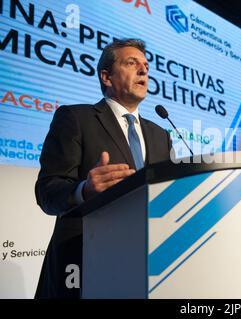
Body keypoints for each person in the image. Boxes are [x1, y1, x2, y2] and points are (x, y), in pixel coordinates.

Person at [34, 38, 172, 298]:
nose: (144, 71)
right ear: (106, 77)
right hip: (85, 263)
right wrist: (83, 190)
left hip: (149, 266)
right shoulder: (75, 118)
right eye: (132, 63)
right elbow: (46, 192)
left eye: (146, 66)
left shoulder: (160, 134)